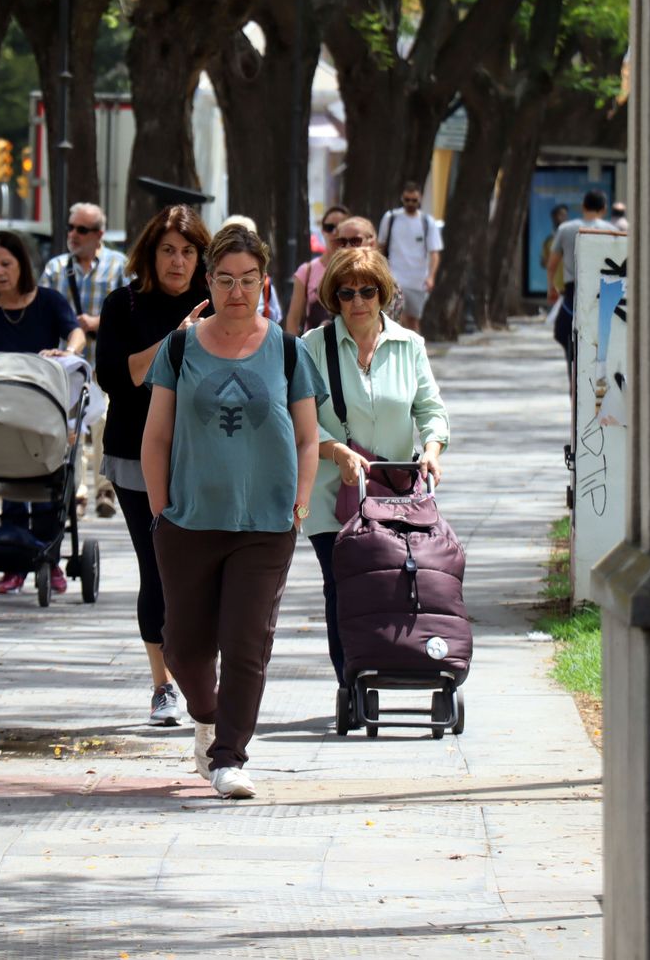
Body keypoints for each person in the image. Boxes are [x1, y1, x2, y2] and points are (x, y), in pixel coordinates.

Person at [143, 223, 324, 799]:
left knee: (247, 641)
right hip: (188, 521)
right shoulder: (179, 348)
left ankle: (229, 758)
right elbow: (156, 437)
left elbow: (307, 438)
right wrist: (160, 510)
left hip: (265, 524)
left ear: (265, 284)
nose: (237, 292)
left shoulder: (289, 350)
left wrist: (299, 503)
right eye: (225, 280)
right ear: (209, 281)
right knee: (185, 647)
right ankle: (208, 714)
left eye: (248, 281)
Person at [301, 247, 449, 687]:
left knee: (393, 582)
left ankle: (393, 660)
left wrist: (433, 449)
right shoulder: (312, 347)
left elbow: (431, 410)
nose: (358, 302)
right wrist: (336, 452)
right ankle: (351, 677)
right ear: (335, 297)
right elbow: (300, 421)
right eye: (347, 293)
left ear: (382, 293)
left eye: (367, 291)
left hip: (398, 494)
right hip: (333, 494)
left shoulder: (409, 345)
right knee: (342, 584)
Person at [95, 205, 213, 727]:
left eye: (188, 252)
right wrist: (178, 338)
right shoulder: (123, 305)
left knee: (202, 568)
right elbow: (117, 379)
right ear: (150, 252)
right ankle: (162, 686)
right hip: (135, 452)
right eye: (168, 250)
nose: (178, 261)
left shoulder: (216, 303)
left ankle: (199, 672)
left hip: (205, 454)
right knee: (157, 564)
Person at [0, 230, 87, 596]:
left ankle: (49, 556)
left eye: (6, 264)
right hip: (1, 409)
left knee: (50, 483)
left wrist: (66, 351)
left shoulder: (47, 301)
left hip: (44, 408)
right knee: (9, 474)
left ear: (21, 265)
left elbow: (75, 332)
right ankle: (12, 560)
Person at [41, 202, 129, 518]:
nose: (73, 235)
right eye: (71, 227)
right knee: (71, 428)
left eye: (82, 229)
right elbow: (43, 314)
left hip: (105, 365)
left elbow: (130, 314)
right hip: (68, 368)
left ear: (99, 234)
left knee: (104, 424)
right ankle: (76, 493)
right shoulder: (55, 269)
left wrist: (96, 322)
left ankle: (105, 491)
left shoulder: (119, 267)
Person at [545, 190, 618, 379]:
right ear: (604, 209)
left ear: (583, 207)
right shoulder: (612, 231)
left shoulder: (566, 229)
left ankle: (575, 375)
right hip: (603, 292)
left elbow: (552, 264)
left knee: (564, 333)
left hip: (574, 293)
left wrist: (551, 288)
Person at [377, 182, 443, 330]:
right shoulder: (391, 218)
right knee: (394, 317)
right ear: (402, 198)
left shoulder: (427, 222)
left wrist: (431, 276)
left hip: (417, 279)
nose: (410, 203)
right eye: (407, 200)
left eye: (414, 200)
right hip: (394, 277)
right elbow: (380, 246)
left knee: (413, 320)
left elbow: (434, 253)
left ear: (419, 199)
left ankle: (415, 351)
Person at [285, 204, 350, 336]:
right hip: (312, 351)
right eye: (329, 227)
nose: (335, 232)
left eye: (341, 227)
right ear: (322, 230)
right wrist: (294, 354)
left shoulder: (358, 269)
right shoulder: (306, 271)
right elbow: (293, 320)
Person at [540, 204, 570, 303]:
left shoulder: (573, 238)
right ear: (554, 218)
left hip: (571, 286)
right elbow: (544, 263)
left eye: (565, 215)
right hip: (556, 289)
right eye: (561, 215)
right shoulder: (548, 241)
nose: (564, 218)